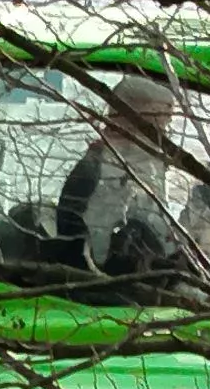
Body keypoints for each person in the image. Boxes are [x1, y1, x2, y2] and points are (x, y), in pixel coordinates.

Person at [54, 78, 191, 288]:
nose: (163, 136)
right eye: (156, 125)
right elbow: (98, 250)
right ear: (126, 121)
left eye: (165, 126)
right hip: (106, 293)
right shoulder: (97, 172)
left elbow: (160, 230)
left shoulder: (145, 166)